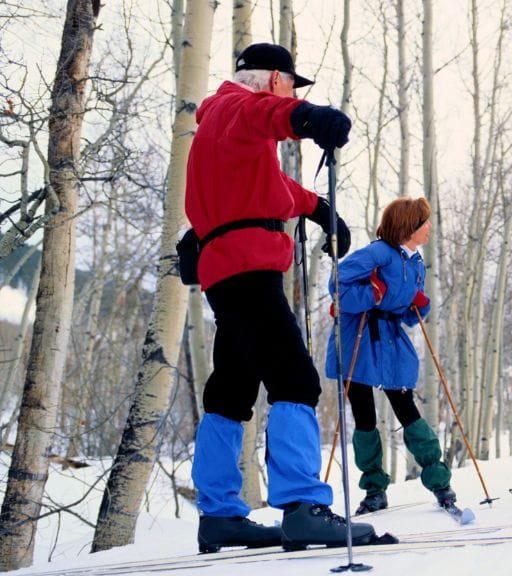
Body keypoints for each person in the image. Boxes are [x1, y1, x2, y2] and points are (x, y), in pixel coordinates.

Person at [186, 42, 378, 553]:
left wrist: (320, 210)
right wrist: (307, 117)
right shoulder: (234, 106)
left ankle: (220, 514)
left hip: (228, 267)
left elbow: (271, 190)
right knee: (294, 378)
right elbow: (267, 114)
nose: (293, 91)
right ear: (275, 79)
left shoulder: (221, 128)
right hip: (248, 268)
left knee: (231, 388)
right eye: (293, 84)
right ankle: (302, 506)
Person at [325, 197, 458, 514]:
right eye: (424, 222)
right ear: (408, 226)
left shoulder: (415, 263)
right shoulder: (377, 253)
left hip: (391, 339)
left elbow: (409, 316)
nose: (428, 228)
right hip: (359, 336)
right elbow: (337, 284)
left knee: (406, 406)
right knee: (364, 414)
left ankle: (440, 482)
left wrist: (419, 304)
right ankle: (374, 490)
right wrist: (370, 294)